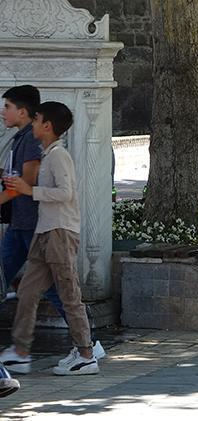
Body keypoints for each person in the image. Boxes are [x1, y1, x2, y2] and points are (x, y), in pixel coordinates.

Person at [0, 86, 105, 364]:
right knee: (27, 291)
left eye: (36, 120)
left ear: (46, 126)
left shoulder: (59, 156)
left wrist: (28, 190)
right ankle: (21, 350)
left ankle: (86, 353)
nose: (33, 123)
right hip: (43, 232)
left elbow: (66, 193)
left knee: (69, 295)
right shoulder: (48, 155)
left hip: (60, 232)